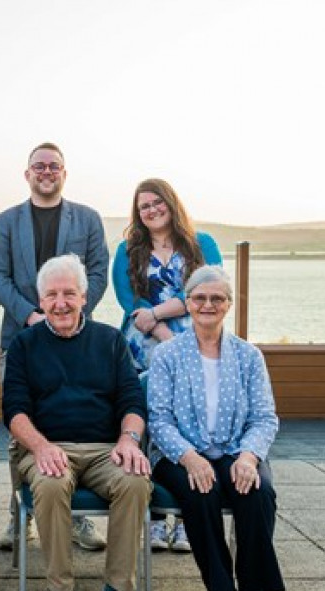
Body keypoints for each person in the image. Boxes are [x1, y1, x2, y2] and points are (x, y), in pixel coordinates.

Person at [4, 254, 151, 591]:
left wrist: (128, 440)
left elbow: (133, 402)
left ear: (85, 297)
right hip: (47, 447)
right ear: (41, 299)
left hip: (106, 448)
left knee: (135, 480)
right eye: (52, 295)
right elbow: (14, 412)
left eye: (69, 293)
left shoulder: (110, 340)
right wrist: (39, 446)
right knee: (51, 484)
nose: (61, 302)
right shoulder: (24, 345)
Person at [148, 265, 283, 591]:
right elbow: (158, 419)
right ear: (188, 303)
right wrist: (190, 457)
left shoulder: (248, 356)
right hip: (179, 453)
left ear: (228, 304)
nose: (208, 304)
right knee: (199, 491)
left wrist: (249, 457)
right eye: (200, 298)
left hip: (236, 450)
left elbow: (264, 417)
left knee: (257, 490)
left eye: (217, 298)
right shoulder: (168, 354)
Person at [0, 141, 110, 552]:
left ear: (64, 172)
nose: (46, 172)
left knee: (73, 420)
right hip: (20, 337)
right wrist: (32, 316)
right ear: (27, 174)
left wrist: (68, 315)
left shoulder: (89, 219)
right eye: (39, 166)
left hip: (76, 339)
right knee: (18, 424)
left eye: (54, 166)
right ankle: (17, 518)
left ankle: (76, 520)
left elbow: (97, 274)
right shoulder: (6, 221)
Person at [112, 178, 223, 553]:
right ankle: (157, 518)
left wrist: (164, 320)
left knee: (190, 417)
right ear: (137, 213)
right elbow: (131, 303)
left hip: (195, 340)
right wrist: (162, 333)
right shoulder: (127, 250)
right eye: (143, 206)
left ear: (171, 203)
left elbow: (204, 290)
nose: (151, 210)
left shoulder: (202, 244)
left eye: (157, 202)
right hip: (142, 343)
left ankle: (191, 515)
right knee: (147, 416)